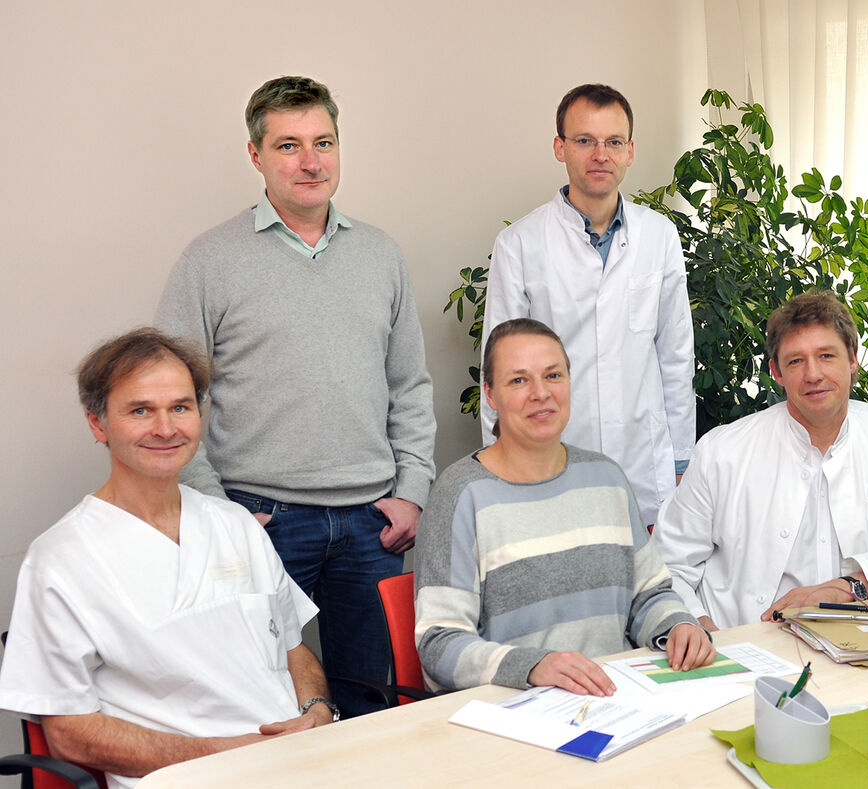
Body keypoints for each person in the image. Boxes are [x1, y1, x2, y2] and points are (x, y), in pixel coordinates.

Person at [155, 76, 435, 717]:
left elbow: (410, 386)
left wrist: (413, 490)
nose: (310, 162)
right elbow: (172, 397)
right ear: (255, 156)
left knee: (372, 704)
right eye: (288, 145)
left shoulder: (380, 254)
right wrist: (219, 514)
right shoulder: (209, 260)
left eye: (323, 142)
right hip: (260, 521)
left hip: (372, 524)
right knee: (260, 704)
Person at [0, 329, 335, 789]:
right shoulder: (61, 560)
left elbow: (294, 647)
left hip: (300, 766)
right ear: (98, 423)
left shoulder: (235, 524)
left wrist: (317, 710)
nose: (166, 428)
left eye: (180, 407)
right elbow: (69, 734)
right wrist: (224, 753)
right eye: (141, 410)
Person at [415, 318, 713, 693]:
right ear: (490, 394)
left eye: (553, 375)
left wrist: (678, 625)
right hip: (514, 713)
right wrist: (533, 666)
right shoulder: (461, 495)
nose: (540, 393)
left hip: (617, 699)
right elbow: (439, 643)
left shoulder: (607, 478)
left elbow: (648, 594)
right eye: (519, 380)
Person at [653, 292, 868, 630]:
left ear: (853, 360)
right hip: (743, 641)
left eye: (826, 356)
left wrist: (849, 587)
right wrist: (703, 632)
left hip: (864, 644)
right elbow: (668, 565)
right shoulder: (720, 451)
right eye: (796, 361)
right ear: (776, 372)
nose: (813, 374)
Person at [481, 83, 694, 528]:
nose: (601, 154)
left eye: (613, 142)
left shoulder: (659, 237)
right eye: (585, 141)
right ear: (560, 148)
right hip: (549, 463)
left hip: (644, 468)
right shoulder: (519, 244)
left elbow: (675, 359)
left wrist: (680, 466)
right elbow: (499, 373)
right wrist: (503, 474)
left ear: (630, 151)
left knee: (646, 591)